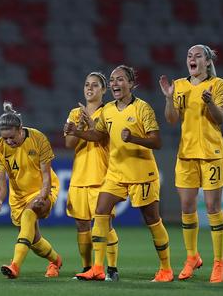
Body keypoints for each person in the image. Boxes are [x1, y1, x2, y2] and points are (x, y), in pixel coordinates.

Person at [65, 65, 173, 282]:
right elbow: (98, 134)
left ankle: (166, 269)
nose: (115, 83)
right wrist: (77, 131)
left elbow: (157, 141)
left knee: (152, 219)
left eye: (120, 79)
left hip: (141, 173)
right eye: (113, 80)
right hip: (116, 173)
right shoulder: (108, 110)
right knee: (101, 211)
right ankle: (97, 268)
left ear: (131, 84)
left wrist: (133, 138)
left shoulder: (143, 108)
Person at [159, 44, 223, 283]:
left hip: (211, 153)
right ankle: (192, 257)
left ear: (208, 62)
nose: (192, 58)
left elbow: (220, 119)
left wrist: (210, 103)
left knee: (211, 208)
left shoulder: (218, 86)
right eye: (189, 55)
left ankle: (219, 262)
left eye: (198, 56)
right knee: (187, 208)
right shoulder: (179, 86)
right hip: (187, 154)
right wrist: (169, 99)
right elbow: (171, 120)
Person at [0, 102, 62, 279]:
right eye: (5, 138)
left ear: (20, 129)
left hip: (43, 188)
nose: (8, 141)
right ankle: (55, 261)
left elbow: (46, 174)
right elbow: (1, 184)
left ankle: (14, 266)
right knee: (34, 241)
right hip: (18, 196)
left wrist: (43, 196)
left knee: (29, 215)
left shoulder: (38, 138)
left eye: (12, 137)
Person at [64, 72, 119, 281]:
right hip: (79, 176)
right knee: (82, 225)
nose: (90, 88)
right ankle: (87, 268)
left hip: (102, 174)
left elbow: (103, 138)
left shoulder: (110, 112)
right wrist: (78, 127)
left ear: (104, 90)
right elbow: (69, 144)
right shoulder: (75, 113)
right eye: (87, 84)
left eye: (95, 85)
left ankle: (112, 269)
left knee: (104, 224)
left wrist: (88, 125)